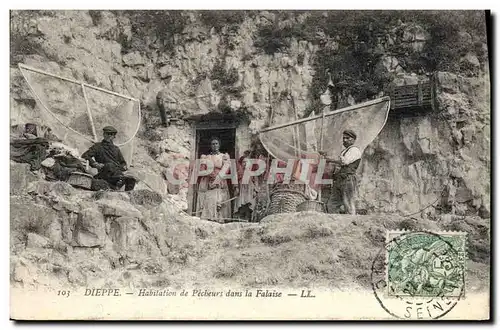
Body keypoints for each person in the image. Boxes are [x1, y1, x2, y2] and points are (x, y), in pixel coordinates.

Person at [81, 126, 136, 191]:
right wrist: (95, 164)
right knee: (109, 165)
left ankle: (126, 196)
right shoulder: (98, 146)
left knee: (131, 179)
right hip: (104, 173)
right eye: (107, 133)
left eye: (111, 134)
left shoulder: (116, 149)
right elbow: (85, 155)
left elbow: (122, 162)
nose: (109, 136)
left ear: (114, 137)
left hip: (116, 172)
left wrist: (124, 166)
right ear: (104, 134)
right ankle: (115, 185)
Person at [320, 129, 362, 215]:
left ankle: (351, 222)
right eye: (343, 138)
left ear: (353, 140)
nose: (345, 140)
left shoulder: (355, 150)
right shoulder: (344, 152)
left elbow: (344, 161)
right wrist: (326, 157)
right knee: (332, 204)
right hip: (340, 180)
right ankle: (335, 224)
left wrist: (329, 159)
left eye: (347, 138)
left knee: (348, 203)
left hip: (348, 179)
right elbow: (339, 164)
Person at [196, 137, 232, 223]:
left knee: (219, 198)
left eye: (216, 143)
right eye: (213, 144)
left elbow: (226, 168)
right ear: (210, 146)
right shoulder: (207, 157)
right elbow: (202, 169)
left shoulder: (223, 156)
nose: (215, 145)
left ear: (219, 145)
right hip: (209, 179)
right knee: (210, 198)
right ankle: (210, 218)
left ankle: (220, 219)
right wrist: (209, 175)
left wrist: (218, 178)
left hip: (220, 179)